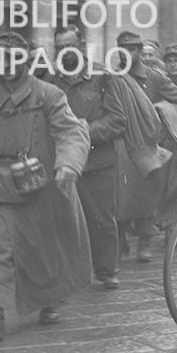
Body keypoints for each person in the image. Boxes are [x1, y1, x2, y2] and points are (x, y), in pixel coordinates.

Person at [0, 31, 92, 339]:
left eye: (14, 58)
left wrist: (69, 164)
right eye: (1, 58)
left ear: (26, 61)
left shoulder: (48, 94)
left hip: (40, 185)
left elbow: (72, 132)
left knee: (43, 250)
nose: (6, 65)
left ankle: (51, 300)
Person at [52, 23, 128, 290]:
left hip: (98, 163)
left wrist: (83, 130)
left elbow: (118, 120)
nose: (64, 52)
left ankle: (107, 270)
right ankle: (70, 273)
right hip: (62, 164)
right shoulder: (50, 80)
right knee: (62, 221)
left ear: (82, 46)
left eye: (69, 46)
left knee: (101, 219)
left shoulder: (102, 76)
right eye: (59, 48)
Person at [115, 30, 177, 263]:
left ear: (139, 51)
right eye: (123, 49)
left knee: (147, 196)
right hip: (120, 144)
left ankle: (145, 243)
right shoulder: (112, 77)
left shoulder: (154, 78)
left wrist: (174, 130)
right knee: (120, 196)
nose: (128, 53)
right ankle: (120, 241)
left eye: (132, 49)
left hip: (149, 146)